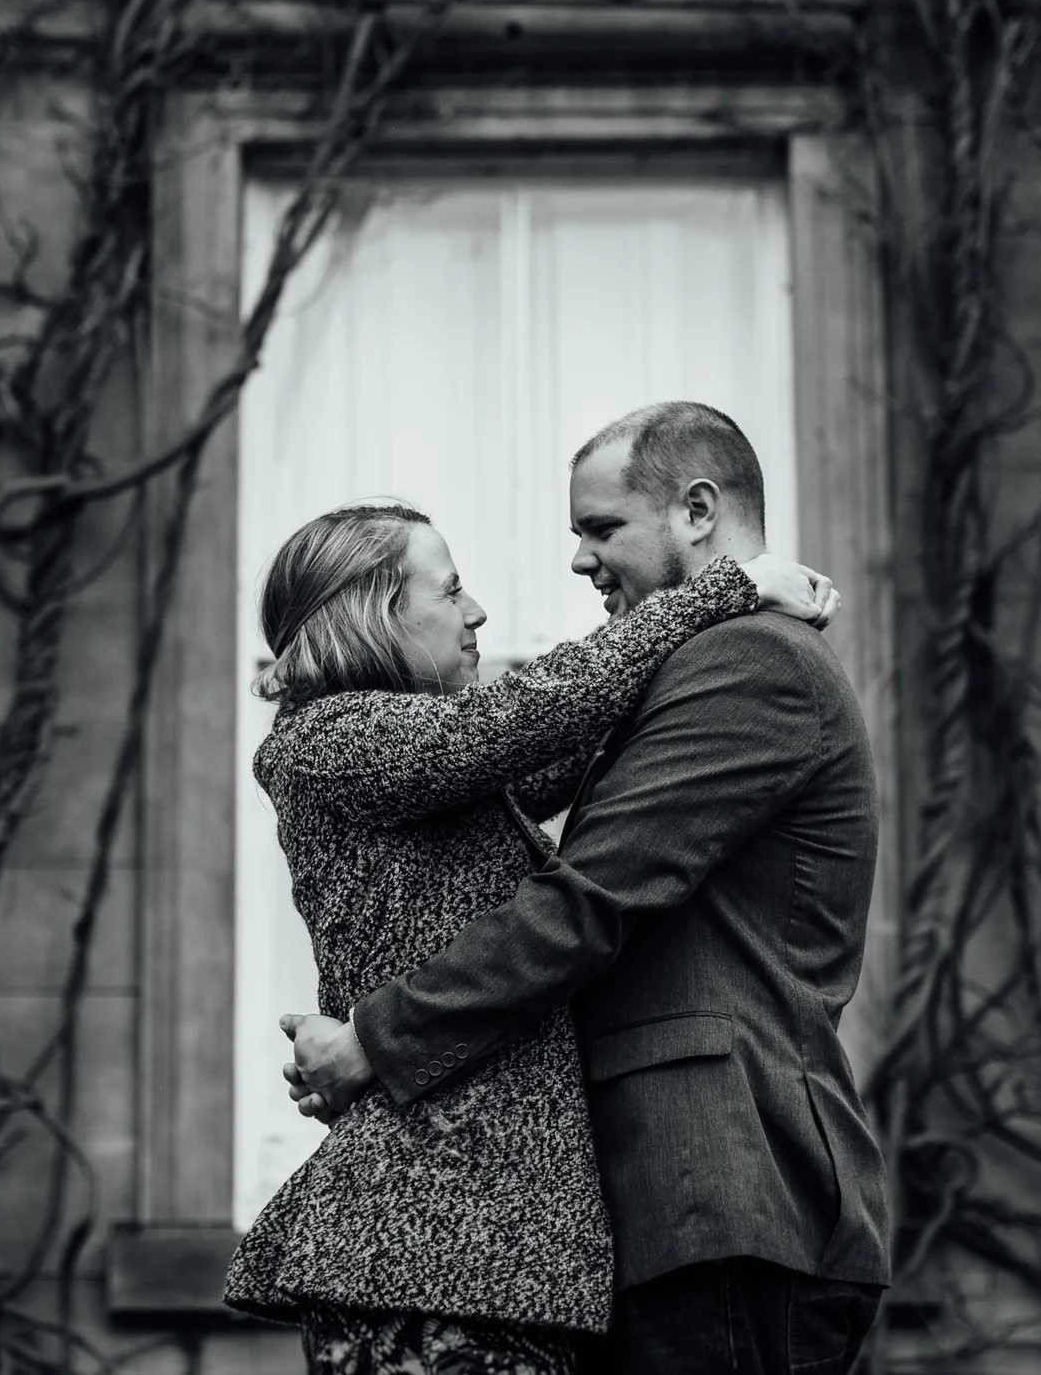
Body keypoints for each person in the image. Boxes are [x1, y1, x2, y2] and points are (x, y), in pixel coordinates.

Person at [283, 402, 894, 1375]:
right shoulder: (340, 737)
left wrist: (374, 1038)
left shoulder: (750, 657)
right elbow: (515, 736)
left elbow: (588, 900)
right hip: (662, 1207)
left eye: (601, 527)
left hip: (719, 1186)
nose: (579, 560)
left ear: (698, 511)